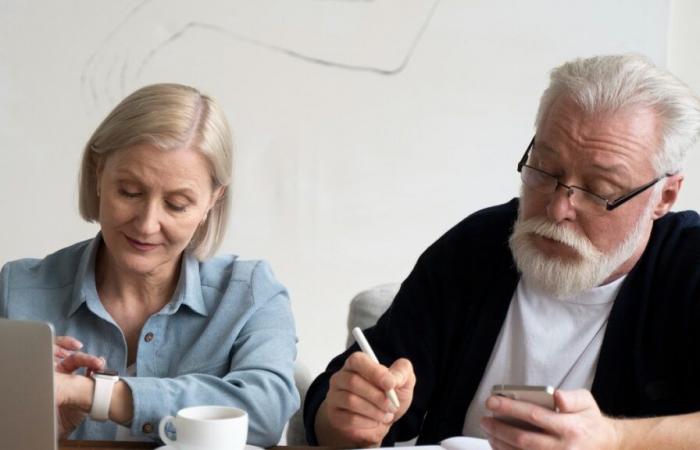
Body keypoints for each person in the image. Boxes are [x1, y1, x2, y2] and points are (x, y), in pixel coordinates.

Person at [303, 54, 700, 449]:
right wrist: (346, 419)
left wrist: (615, 439)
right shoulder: (478, 247)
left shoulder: (689, 266)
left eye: (600, 190)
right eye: (545, 170)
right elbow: (347, 399)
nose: (559, 208)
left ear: (664, 196)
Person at [0, 83, 299, 446]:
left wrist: (90, 393)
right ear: (98, 174)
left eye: (176, 204)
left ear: (212, 202)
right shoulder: (17, 291)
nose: (146, 224)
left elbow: (265, 412)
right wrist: (32, 423)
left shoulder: (250, 293)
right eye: (129, 192)